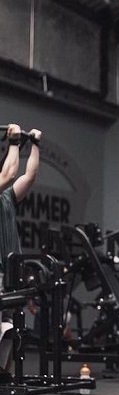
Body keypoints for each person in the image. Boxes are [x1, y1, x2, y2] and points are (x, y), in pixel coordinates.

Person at [0, 124, 42, 374]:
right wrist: (14, 142)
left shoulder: (6, 198)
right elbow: (8, 174)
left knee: (9, 326)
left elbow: (29, 176)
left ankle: (4, 376)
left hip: (10, 271)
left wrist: (34, 145)